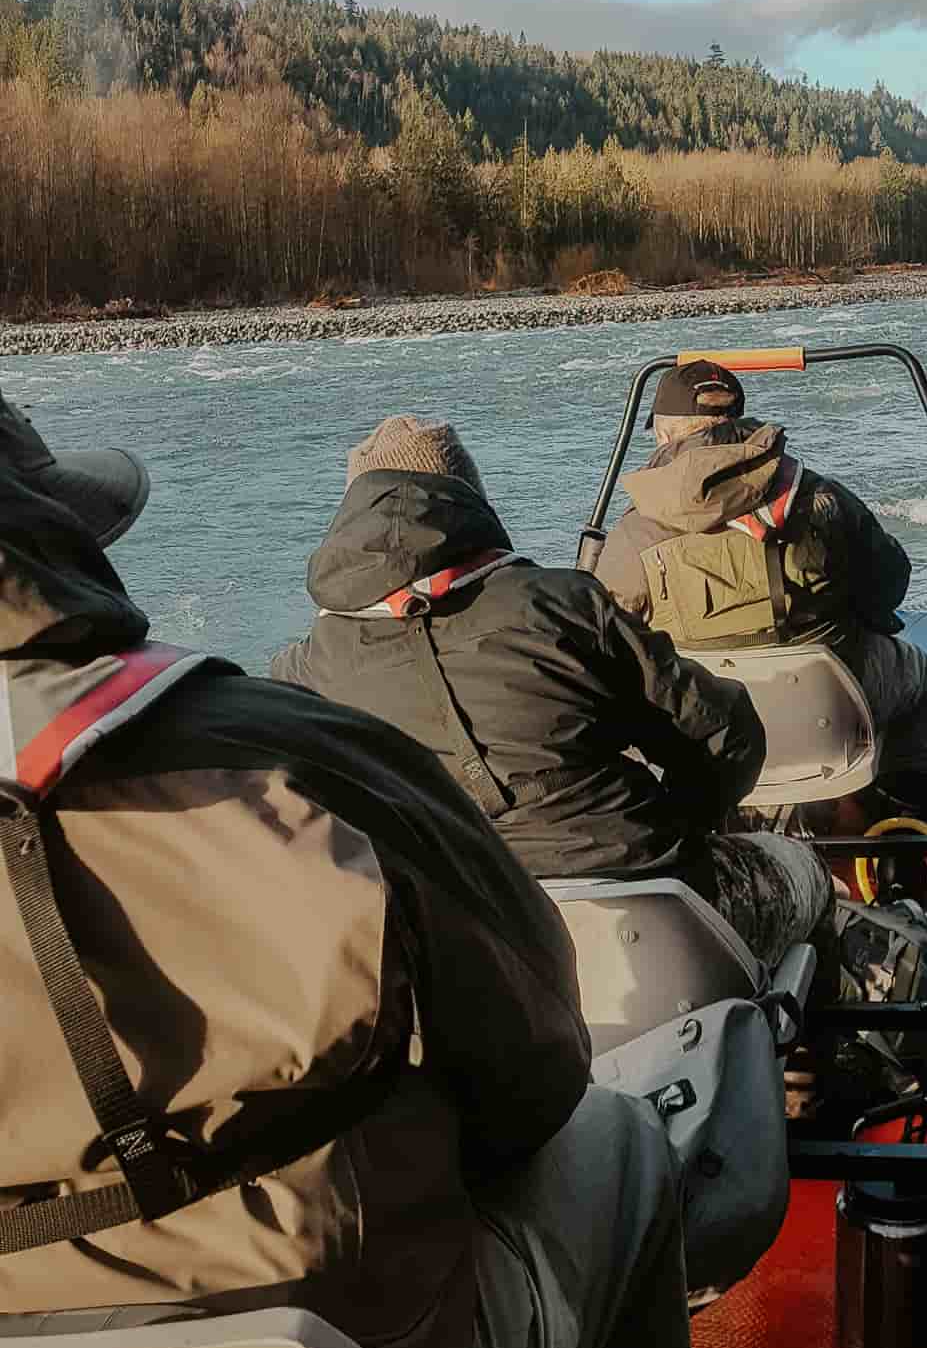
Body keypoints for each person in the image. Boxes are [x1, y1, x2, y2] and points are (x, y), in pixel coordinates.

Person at [0, 394, 712, 1348]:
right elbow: (536, 1070)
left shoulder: (306, 671)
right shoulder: (286, 746)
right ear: (56, 541)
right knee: (616, 1136)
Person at [271, 415, 834, 974]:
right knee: (806, 870)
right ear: (467, 500)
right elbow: (725, 734)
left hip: (458, 942)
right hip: (647, 903)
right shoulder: (560, 604)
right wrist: (687, 822)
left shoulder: (306, 667)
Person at [594, 361, 927, 810]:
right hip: (828, 712)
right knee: (922, 673)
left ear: (664, 435)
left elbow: (605, 638)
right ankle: (901, 817)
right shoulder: (820, 497)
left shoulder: (633, 532)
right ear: (739, 421)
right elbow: (890, 583)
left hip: (703, 723)